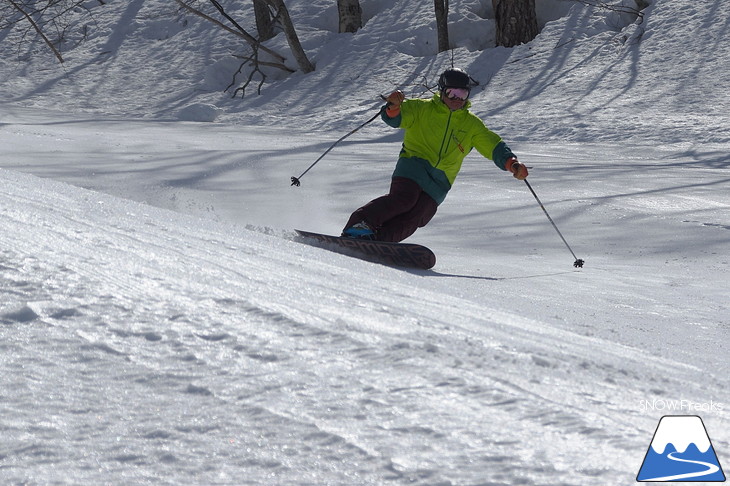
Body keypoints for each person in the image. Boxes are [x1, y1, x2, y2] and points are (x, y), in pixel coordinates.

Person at [341, 67, 528, 242]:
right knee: (405, 199)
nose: (457, 98)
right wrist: (393, 107)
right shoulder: (421, 109)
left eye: (462, 94)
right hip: (414, 165)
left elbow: (493, 145)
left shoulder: (471, 125)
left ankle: (378, 241)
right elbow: (395, 118)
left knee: (417, 216)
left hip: (441, 180)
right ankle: (358, 225)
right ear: (442, 92)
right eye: (452, 93)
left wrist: (512, 163)